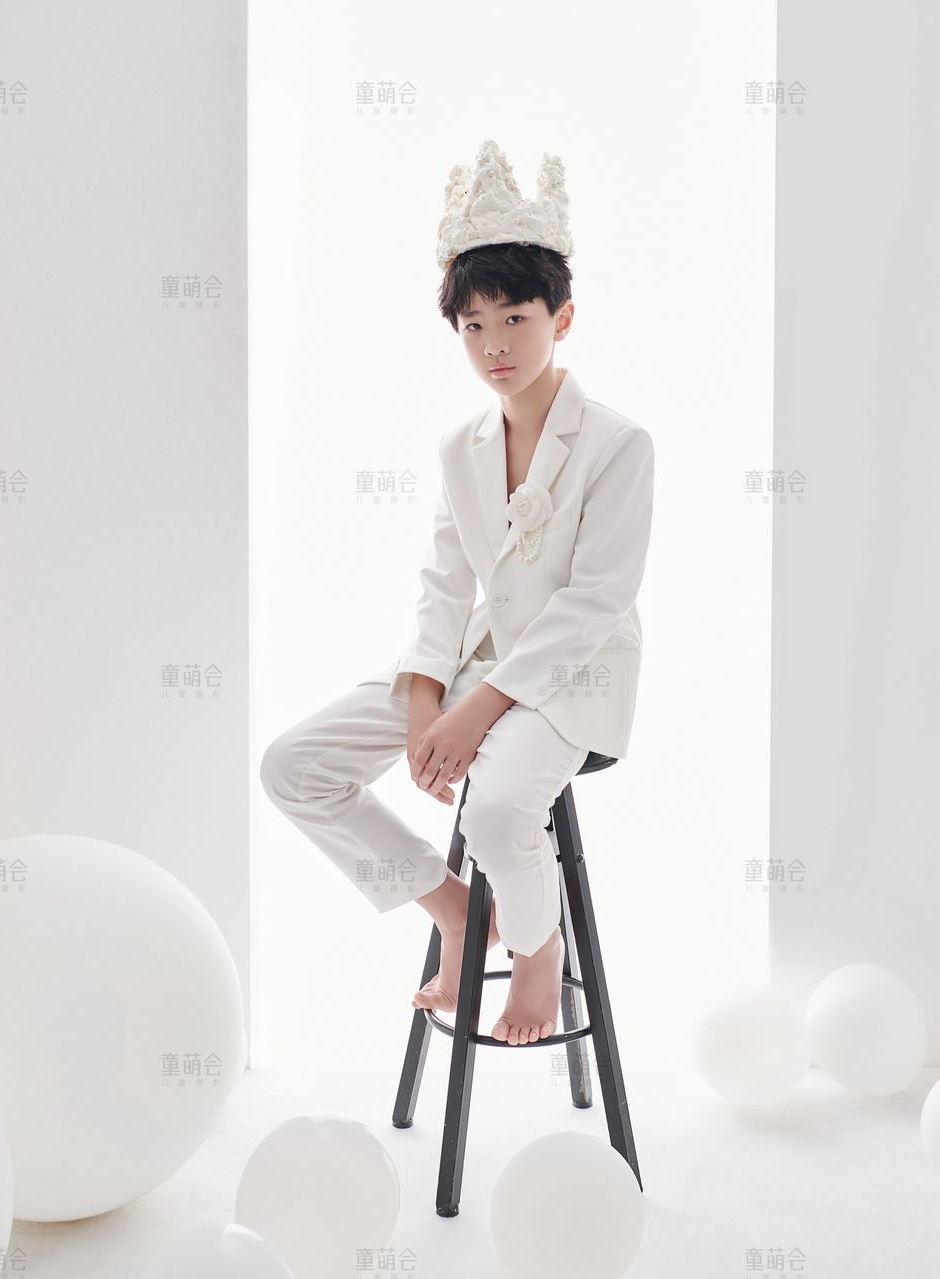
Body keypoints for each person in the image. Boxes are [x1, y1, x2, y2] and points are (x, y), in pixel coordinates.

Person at [260, 140, 655, 1045]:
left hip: (577, 675)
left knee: (501, 809)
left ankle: (539, 950)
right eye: (473, 326)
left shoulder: (618, 444)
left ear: (562, 316)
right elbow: (443, 585)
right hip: (475, 659)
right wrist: (425, 700)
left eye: (514, 317)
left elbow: (597, 600)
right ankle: (453, 910)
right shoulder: (459, 447)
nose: (494, 345)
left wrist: (475, 712)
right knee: (293, 765)